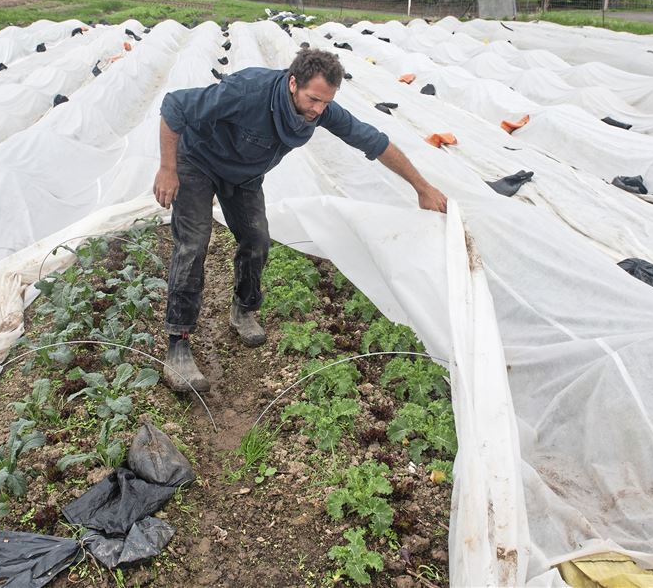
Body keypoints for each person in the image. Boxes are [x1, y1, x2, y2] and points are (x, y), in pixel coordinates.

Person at [153, 47, 447, 393]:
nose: (318, 110)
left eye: (326, 103)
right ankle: (179, 343)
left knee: (257, 239)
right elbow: (174, 106)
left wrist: (422, 187)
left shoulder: (320, 111)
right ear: (293, 83)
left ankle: (243, 309)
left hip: (243, 177)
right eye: (313, 100)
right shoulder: (248, 91)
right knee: (194, 243)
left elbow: (374, 141)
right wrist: (168, 168)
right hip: (198, 162)